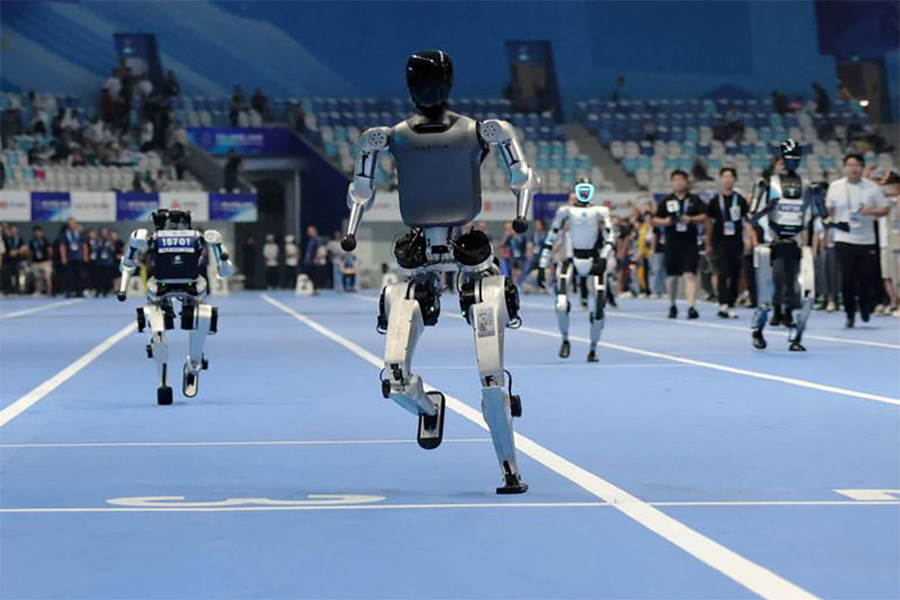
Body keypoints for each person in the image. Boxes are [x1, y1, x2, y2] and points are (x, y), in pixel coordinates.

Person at [340, 50, 537, 494]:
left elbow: (523, 176)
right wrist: (351, 230)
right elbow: (360, 190)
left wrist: (522, 212)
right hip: (419, 257)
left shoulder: (481, 130)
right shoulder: (387, 137)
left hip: (471, 258)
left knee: (491, 374)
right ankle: (428, 409)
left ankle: (509, 469)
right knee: (394, 374)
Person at [118, 209, 234, 405]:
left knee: (200, 317)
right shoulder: (198, 237)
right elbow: (225, 270)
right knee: (162, 332)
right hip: (175, 286)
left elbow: (127, 264)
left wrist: (123, 289)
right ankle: (176, 375)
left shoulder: (150, 237)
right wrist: (123, 287)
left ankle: (190, 366)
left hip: (178, 286)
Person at [749, 140, 827, 351]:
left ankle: (795, 331)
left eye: (796, 158)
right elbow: (752, 216)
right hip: (771, 243)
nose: (792, 161)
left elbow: (815, 214)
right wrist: (767, 211)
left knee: (804, 289)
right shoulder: (767, 184)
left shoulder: (807, 185)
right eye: (788, 157)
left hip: (795, 242)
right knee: (768, 288)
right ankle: (759, 328)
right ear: (781, 159)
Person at [537, 179, 614, 362]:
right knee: (561, 304)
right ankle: (565, 340)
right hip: (571, 260)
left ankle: (593, 348)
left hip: (594, 260)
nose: (584, 193)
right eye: (581, 189)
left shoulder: (601, 211)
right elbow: (551, 237)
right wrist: (542, 264)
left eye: (587, 189)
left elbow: (610, 237)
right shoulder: (566, 211)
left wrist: (604, 257)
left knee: (599, 309)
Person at [826, 154, 890, 327]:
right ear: (844, 167)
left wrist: (870, 212)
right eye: (850, 165)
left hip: (866, 239)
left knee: (866, 277)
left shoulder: (872, 187)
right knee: (847, 277)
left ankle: (865, 305)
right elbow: (829, 210)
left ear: (862, 168)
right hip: (844, 238)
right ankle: (849, 313)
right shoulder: (835, 186)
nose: (853, 169)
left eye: (857, 165)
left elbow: (885, 209)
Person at [653, 170, 706, 319]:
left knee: (690, 273)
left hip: (690, 241)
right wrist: (666, 222)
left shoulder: (694, 200)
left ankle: (691, 306)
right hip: (672, 241)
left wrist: (691, 219)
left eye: (681, 179)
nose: (678, 182)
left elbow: (704, 216)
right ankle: (672, 304)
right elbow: (655, 219)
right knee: (673, 276)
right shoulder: (666, 200)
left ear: (687, 182)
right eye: (675, 180)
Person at [706, 168, 750, 318]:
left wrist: (748, 239)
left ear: (734, 180)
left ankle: (731, 303)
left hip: (736, 240)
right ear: (720, 179)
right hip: (719, 240)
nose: (727, 180)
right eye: (724, 177)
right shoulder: (714, 201)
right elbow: (708, 222)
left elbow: (746, 221)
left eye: (730, 177)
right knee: (722, 271)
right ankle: (723, 302)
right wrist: (708, 242)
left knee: (735, 272)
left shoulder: (740, 200)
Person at [59, 218, 85, 298]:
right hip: (69, 257)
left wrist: (85, 255)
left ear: (76, 225)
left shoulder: (80, 234)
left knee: (79, 275)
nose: (72, 226)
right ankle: (69, 291)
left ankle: (79, 291)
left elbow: (84, 245)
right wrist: (63, 257)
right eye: (70, 224)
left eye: (73, 224)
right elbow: (62, 246)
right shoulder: (65, 234)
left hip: (78, 257)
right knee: (69, 275)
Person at [28, 226, 53, 295]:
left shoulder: (45, 240)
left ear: (41, 232)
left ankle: (49, 291)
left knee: (47, 277)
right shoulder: (32, 241)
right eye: (36, 232)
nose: (37, 233)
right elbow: (30, 252)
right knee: (37, 277)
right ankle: (37, 291)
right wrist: (30, 260)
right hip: (35, 262)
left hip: (45, 261)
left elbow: (50, 250)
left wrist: (50, 259)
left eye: (39, 232)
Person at [2, 224, 25, 294]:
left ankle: (17, 290)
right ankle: (6, 290)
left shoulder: (19, 239)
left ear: (17, 231)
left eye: (14, 230)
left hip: (16, 260)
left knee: (17, 273)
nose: (13, 232)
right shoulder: (5, 239)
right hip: (7, 260)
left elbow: (23, 248)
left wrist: (16, 252)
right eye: (12, 230)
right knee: (6, 273)